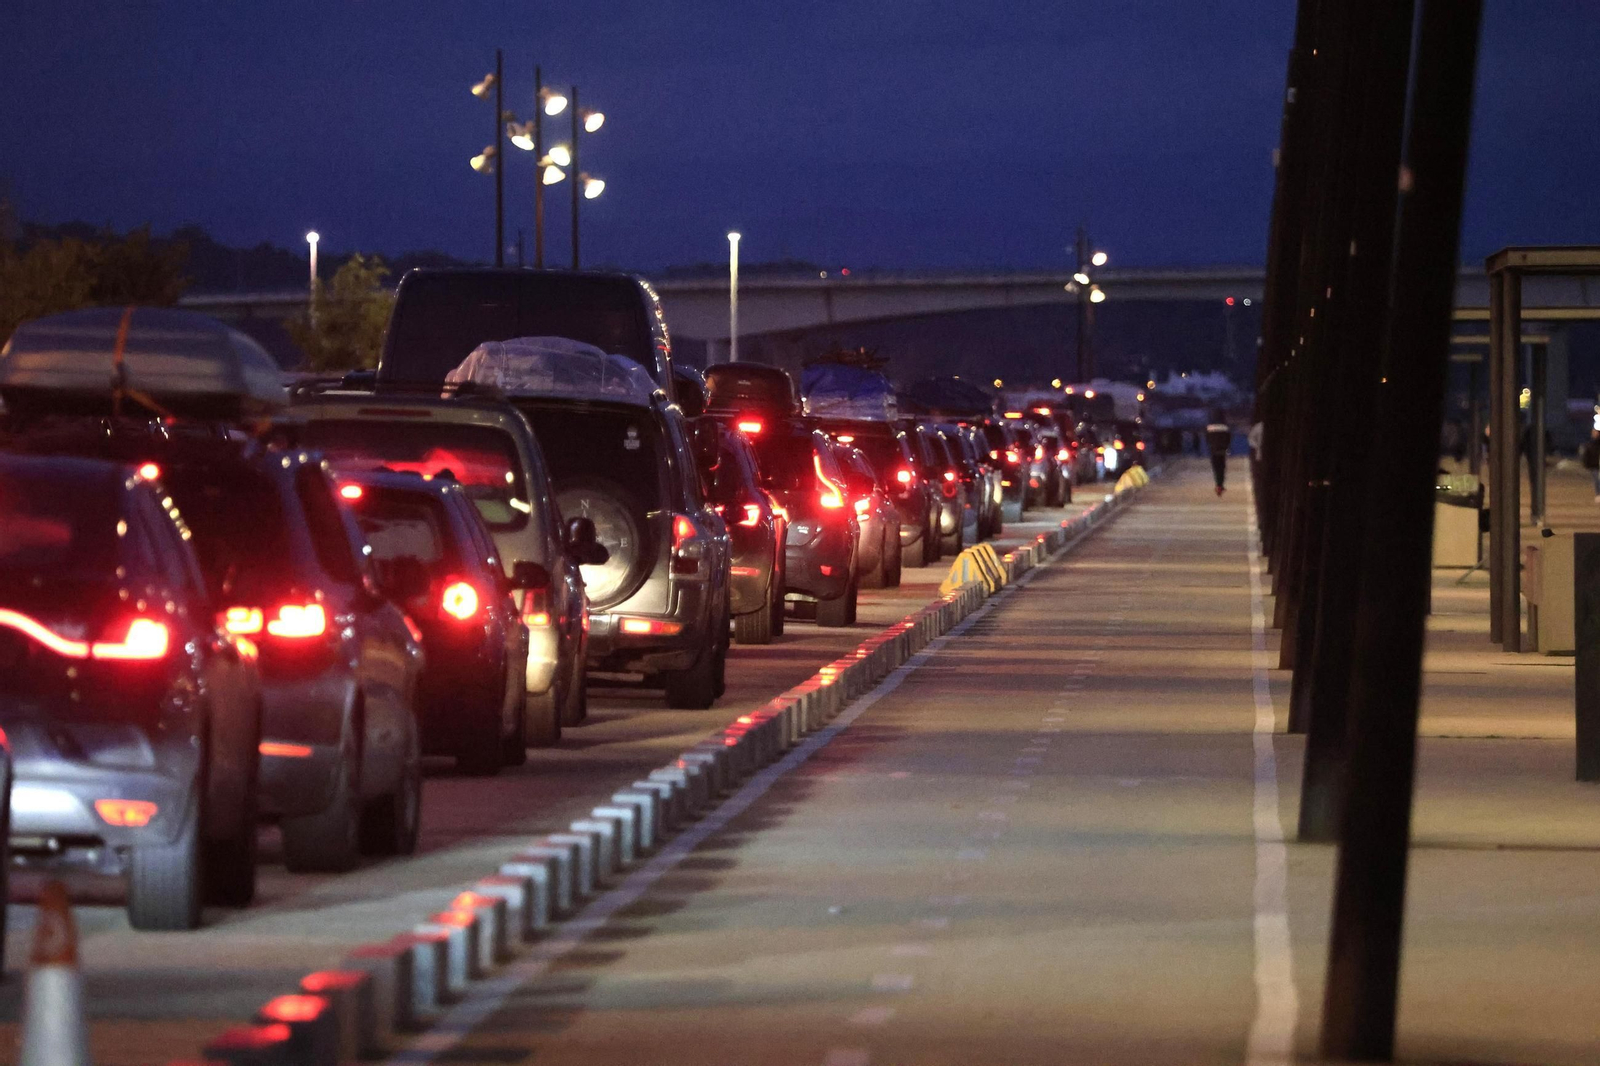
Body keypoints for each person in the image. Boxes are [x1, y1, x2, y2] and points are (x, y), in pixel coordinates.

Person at [1206, 411, 1232, 496]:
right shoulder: (1225, 428)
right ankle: (1220, 484)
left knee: (1216, 468)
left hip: (1213, 450)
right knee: (1222, 468)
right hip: (1222, 450)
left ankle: (1218, 484)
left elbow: (1207, 440)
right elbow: (1229, 439)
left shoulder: (1209, 428)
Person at [1583, 429, 1600, 502]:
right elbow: (1586, 455)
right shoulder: (1590, 444)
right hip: (1594, 465)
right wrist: (1587, 464)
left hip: (1597, 464)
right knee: (1596, 480)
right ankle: (1598, 494)